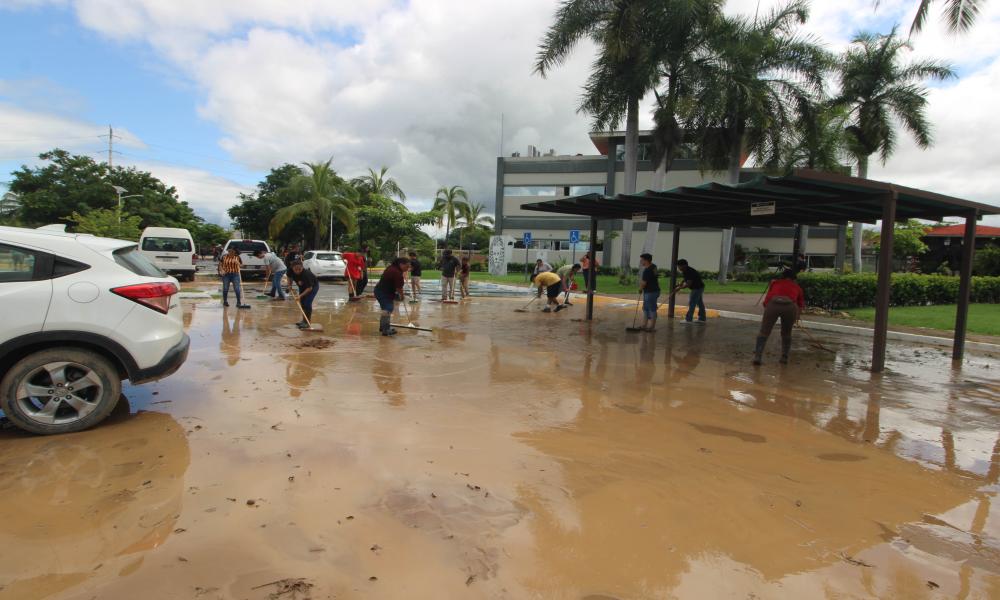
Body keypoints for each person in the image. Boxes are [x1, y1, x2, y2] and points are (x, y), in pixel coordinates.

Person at [753, 269, 805, 365]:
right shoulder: (797, 287)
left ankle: (758, 356)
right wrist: (797, 316)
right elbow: (800, 305)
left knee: (764, 332)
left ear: (782, 276)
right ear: (794, 278)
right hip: (790, 307)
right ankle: (784, 357)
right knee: (786, 333)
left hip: (773, 305)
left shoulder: (775, 283)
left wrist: (768, 308)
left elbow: (767, 299)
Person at [374, 257, 411, 336]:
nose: (408, 268)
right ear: (401, 264)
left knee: (386, 308)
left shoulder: (392, 268)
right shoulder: (397, 272)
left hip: (381, 290)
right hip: (383, 292)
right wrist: (402, 296)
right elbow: (399, 288)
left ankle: (383, 327)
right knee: (388, 308)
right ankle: (386, 329)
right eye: (407, 266)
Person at [671, 258, 706, 324]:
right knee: (699, 303)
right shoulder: (686, 270)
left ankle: (688, 319)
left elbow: (688, 284)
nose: (678, 268)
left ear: (684, 265)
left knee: (692, 303)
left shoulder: (689, 271)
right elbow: (685, 279)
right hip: (699, 287)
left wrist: (679, 288)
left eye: (679, 266)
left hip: (697, 288)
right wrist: (681, 283)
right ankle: (702, 318)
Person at [289, 260, 319, 329]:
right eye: (295, 269)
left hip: (312, 287)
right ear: (292, 268)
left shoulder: (306, 274)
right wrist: (289, 285)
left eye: (299, 269)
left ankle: (307, 323)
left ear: (302, 267)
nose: (298, 271)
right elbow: (289, 277)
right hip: (303, 287)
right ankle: (304, 321)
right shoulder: (290, 271)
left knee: (307, 303)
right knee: (302, 303)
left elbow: (309, 288)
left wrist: (300, 296)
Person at [638, 253, 660, 331]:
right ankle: (644, 325)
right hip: (655, 291)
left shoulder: (647, 270)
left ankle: (651, 327)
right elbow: (656, 276)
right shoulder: (654, 266)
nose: (641, 261)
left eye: (642, 260)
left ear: (646, 260)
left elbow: (644, 283)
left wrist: (640, 289)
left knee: (651, 309)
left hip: (650, 292)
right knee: (646, 308)